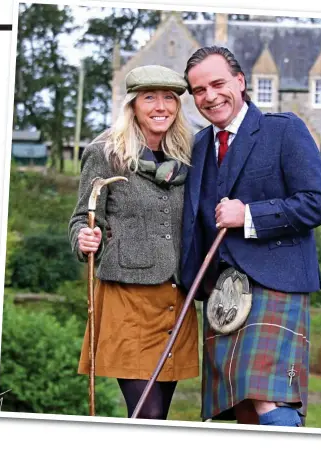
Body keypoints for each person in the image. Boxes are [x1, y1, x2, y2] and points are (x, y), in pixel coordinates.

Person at [180, 46, 321, 427]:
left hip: (276, 283)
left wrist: (248, 215)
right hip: (222, 294)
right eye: (199, 90)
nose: (210, 96)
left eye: (218, 84)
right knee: (240, 408)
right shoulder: (197, 146)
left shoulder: (283, 130)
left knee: (270, 398)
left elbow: (317, 203)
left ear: (240, 82)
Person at [68, 65, 199, 420]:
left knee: (160, 418)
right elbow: (83, 216)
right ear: (133, 105)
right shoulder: (104, 152)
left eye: (169, 98)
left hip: (176, 299)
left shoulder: (188, 156)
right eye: (149, 97)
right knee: (147, 415)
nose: (161, 106)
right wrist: (84, 239)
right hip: (127, 299)